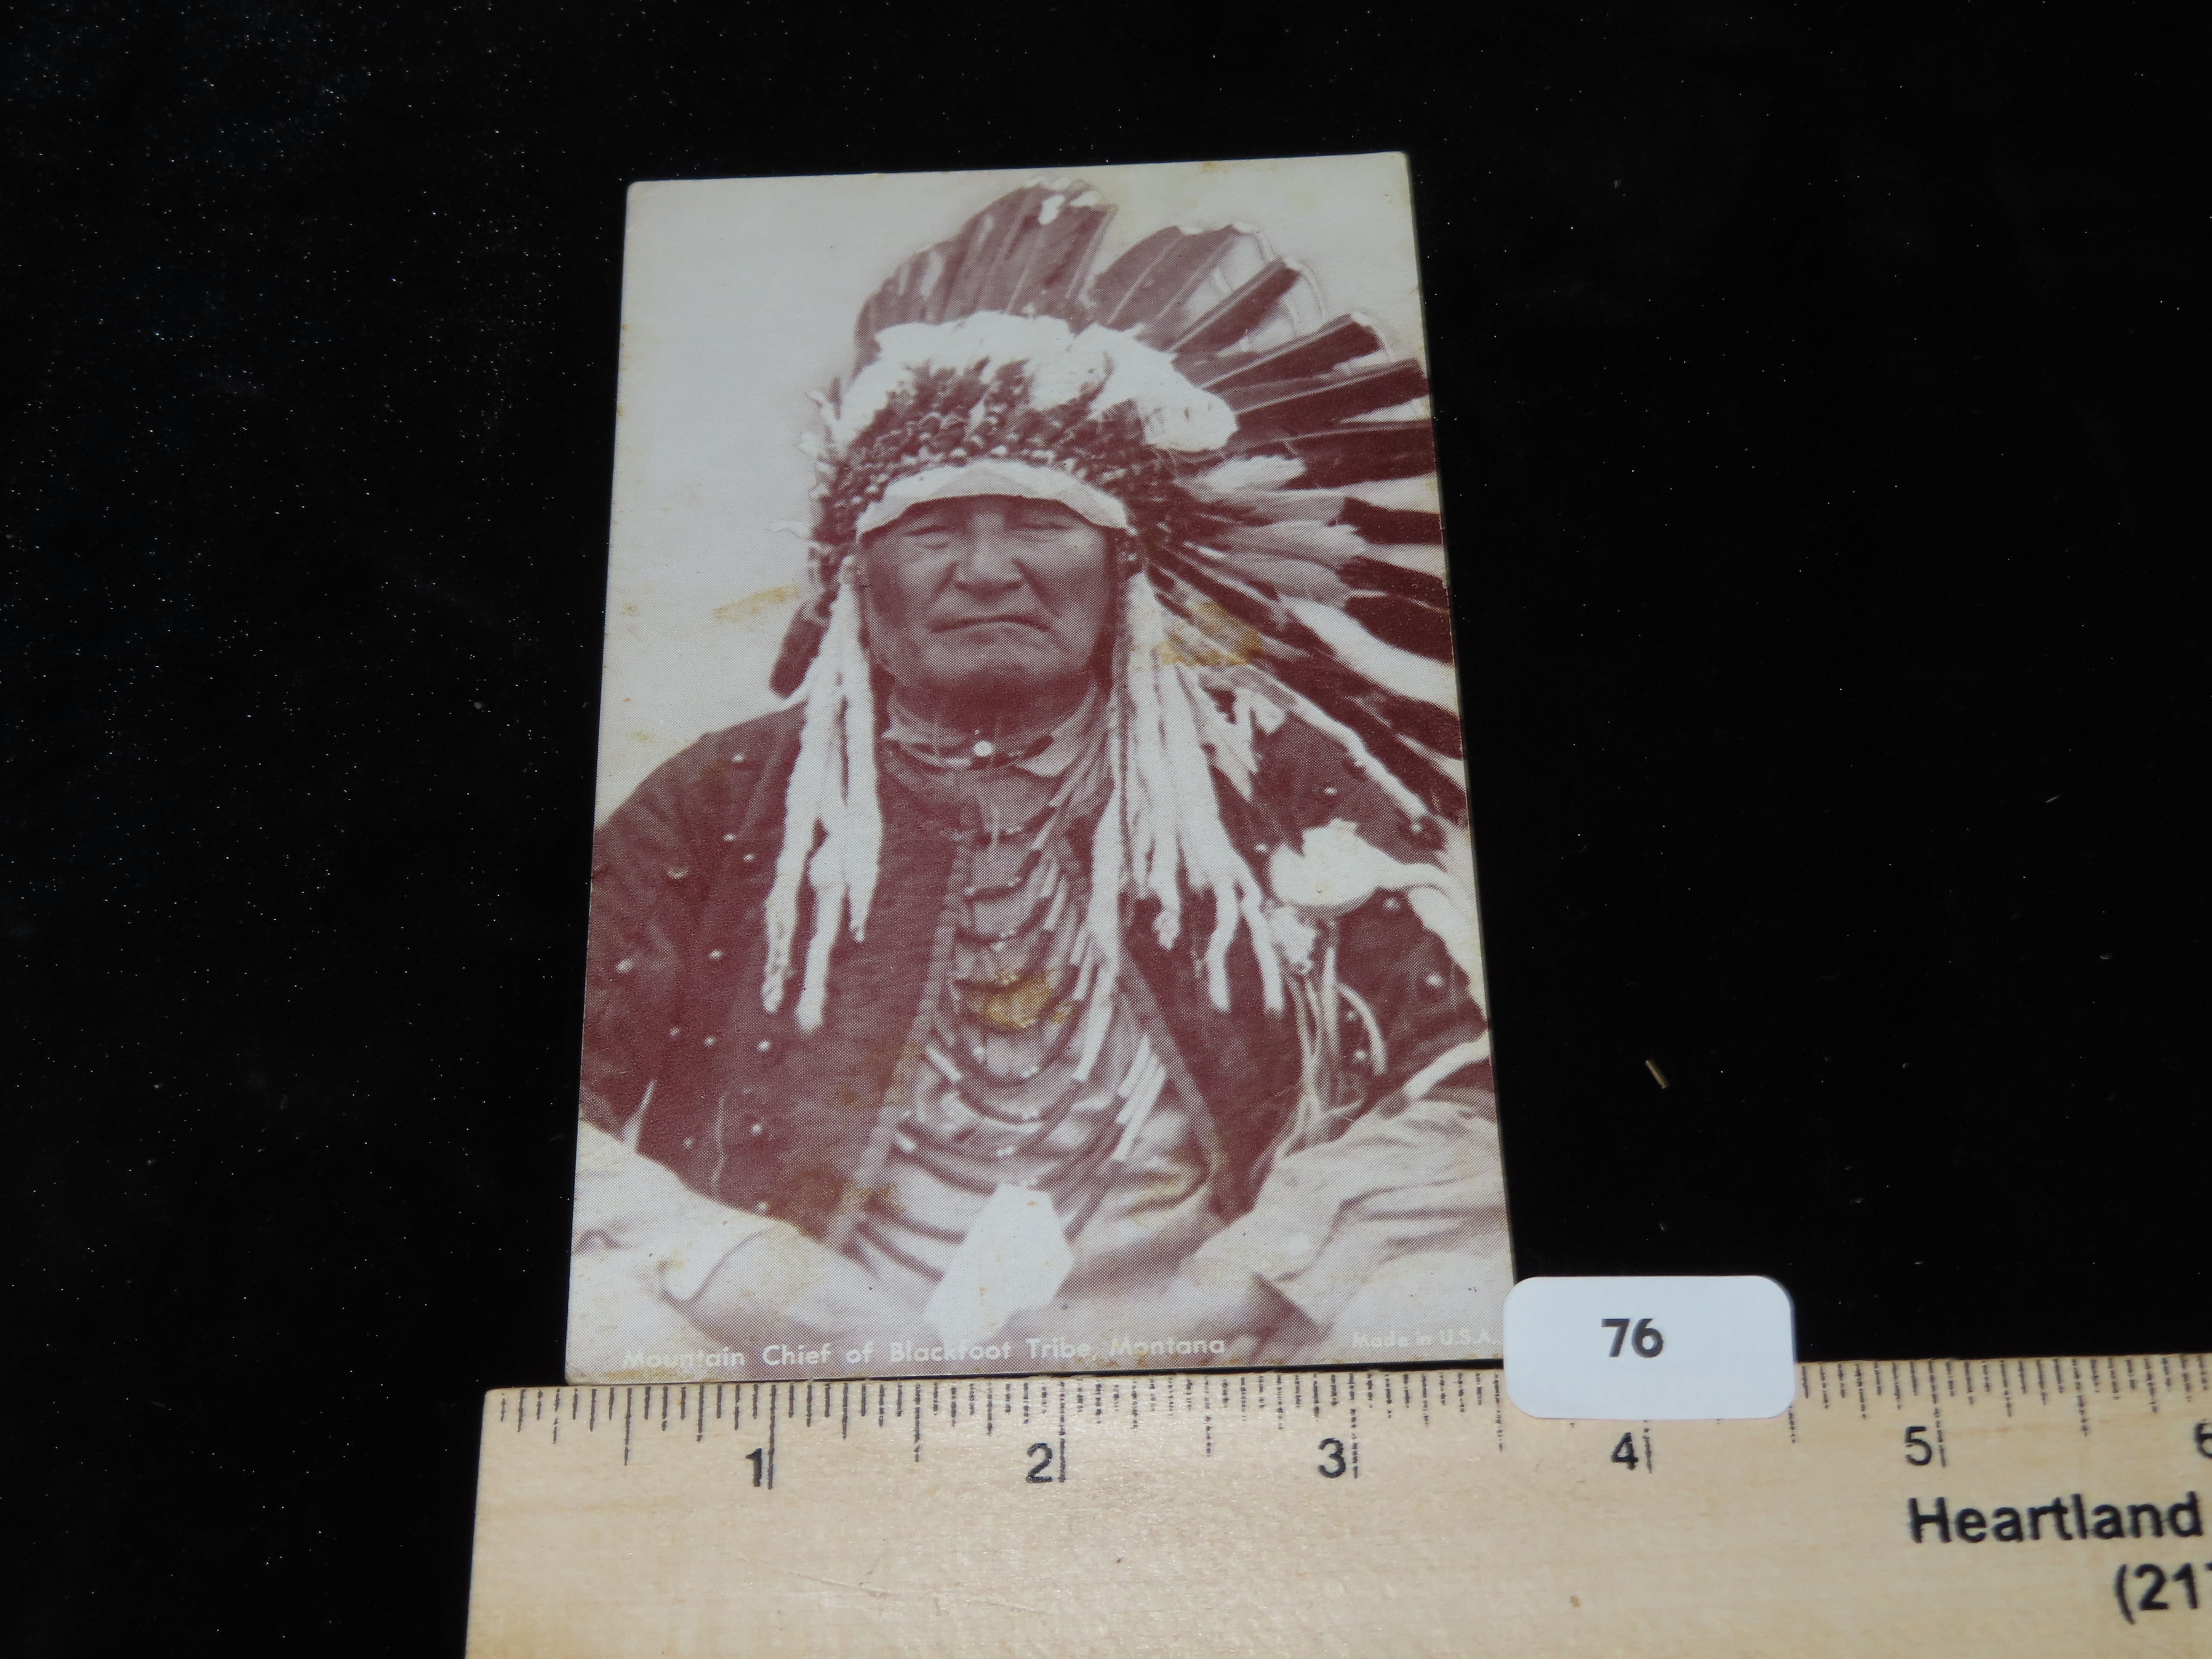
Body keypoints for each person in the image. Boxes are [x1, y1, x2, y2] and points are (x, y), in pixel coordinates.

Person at [568, 181, 1509, 1380]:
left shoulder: (1259, 773)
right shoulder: (726, 795)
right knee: (596, 1322)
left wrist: (1242, 1281)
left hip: (1197, 1340)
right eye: (932, 530)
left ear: (1123, 572)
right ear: (859, 584)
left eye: (1039, 523)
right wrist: (741, 1271)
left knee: (1463, 1295)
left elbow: (1469, 1096)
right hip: (811, 1352)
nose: (987, 569)